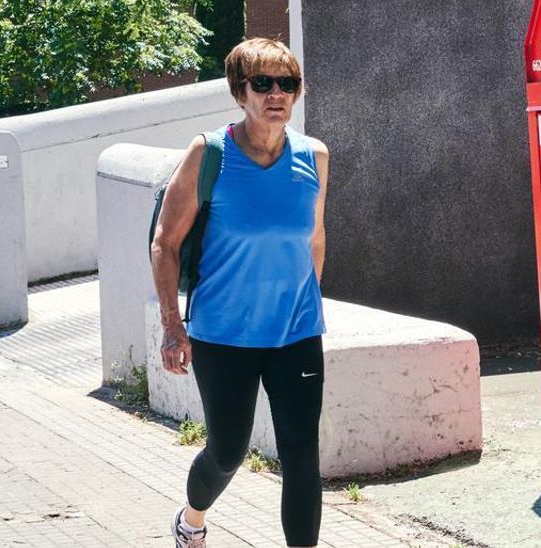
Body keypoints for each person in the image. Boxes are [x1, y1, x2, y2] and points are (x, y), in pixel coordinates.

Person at [150, 38, 329, 548]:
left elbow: (314, 238)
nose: (277, 94)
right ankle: (192, 519)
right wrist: (171, 326)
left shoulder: (313, 156)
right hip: (224, 333)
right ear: (239, 92)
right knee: (228, 451)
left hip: (295, 331)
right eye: (263, 83)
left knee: (302, 454)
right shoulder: (210, 153)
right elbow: (166, 244)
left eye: (287, 83)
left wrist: (307, 301)